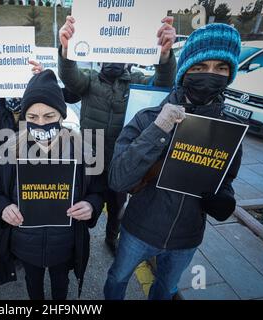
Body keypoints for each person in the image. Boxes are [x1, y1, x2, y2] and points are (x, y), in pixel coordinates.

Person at [104, 23, 243, 300]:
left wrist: (224, 199)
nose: (210, 75)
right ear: (185, 71)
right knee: (117, 278)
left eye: (221, 68)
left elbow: (225, 181)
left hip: (186, 238)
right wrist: (158, 129)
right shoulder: (147, 118)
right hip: (139, 230)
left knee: (166, 289)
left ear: (230, 74)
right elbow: (119, 178)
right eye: (200, 67)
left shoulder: (230, 130)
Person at [58, 15, 178, 255]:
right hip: (91, 159)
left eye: (119, 56)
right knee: (85, 203)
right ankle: (77, 239)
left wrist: (164, 58)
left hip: (121, 162)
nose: (113, 61)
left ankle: (112, 237)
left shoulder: (136, 82)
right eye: (108, 56)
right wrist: (65, 50)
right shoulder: (89, 81)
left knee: (116, 206)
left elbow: (162, 84)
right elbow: (70, 77)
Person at [0, 70, 104, 300]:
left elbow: (99, 191)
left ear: (62, 116)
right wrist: (3, 207)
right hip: (26, 244)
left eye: (49, 116)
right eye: (32, 117)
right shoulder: (9, 150)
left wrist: (91, 205)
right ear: (24, 118)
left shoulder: (84, 150)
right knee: (34, 287)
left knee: (61, 285)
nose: (41, 124)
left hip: (64, 244)